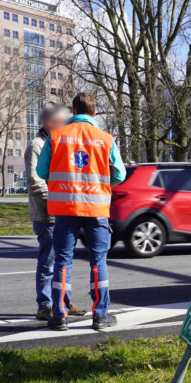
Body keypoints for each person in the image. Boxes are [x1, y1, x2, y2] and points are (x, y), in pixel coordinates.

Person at [36, 93, 126, 331]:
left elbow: (42, 171)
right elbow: (119, 174)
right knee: (98, 261)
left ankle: (60, 316)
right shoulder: (106, 139)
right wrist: (99, 183)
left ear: (73, 110)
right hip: (96, 209)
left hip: (66, 208)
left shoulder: (56, 136)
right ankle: (100, 316)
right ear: (94, 113)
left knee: (63, 262)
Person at [25, 104, 87, 320]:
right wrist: (57, 199)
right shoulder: (37, 145)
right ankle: (45, 305)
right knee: (49, 262)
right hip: (47, 214)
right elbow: (35, 182)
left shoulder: (58, 141)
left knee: (63, 261)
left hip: (61, 212)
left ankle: (63, 302)